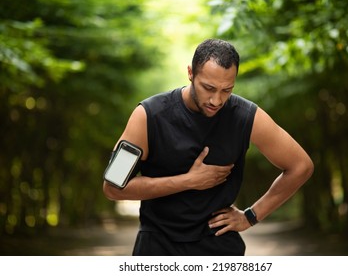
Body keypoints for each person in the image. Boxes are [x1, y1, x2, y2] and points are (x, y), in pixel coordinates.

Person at [103, 38, 314, 256]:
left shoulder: (245, 116)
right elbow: (112, 187)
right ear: (190, 73)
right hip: (157, 248)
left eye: (227, 90)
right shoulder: (148, 116)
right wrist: (188, 181)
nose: (216, 100)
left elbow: (301, 166)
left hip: (220, 249)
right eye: (208, 88)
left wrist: (251, 216)